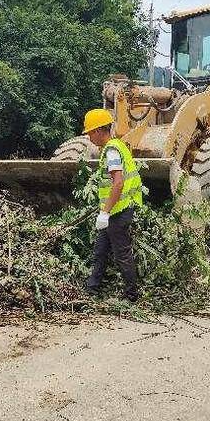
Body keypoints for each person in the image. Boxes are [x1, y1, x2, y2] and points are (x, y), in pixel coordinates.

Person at [82, 109, 143, 301]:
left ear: (100, 131)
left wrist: (105, 213)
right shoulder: (114, 147)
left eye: (90, 132)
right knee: (100, 251)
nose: (89, 137)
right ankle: (92, 289)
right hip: (113, 211)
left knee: (121, 253)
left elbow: (118, 182)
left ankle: (132, 295)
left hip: (118, 212)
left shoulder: (112, 151)